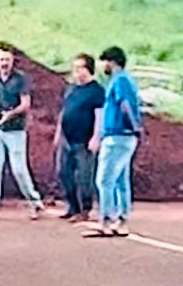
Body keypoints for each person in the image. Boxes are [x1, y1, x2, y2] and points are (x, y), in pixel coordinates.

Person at [0, 47, 44, 221]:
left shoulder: (21, 79)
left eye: (7, 60)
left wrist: (11, 114)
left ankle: (34, 201)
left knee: (19, 169)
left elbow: (26, 104)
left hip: (15, 129)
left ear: (12, 61)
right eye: (1, 60)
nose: (4, 64)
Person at [90, 46, 143, 238]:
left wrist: (133, 126)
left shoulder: (119, 80)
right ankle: (121, 219)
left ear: (111, 62)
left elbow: (124, 104)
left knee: (104, 179)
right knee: (121, 179)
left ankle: (106, 219)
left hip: (118, 135)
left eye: (104, 62)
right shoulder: (125, 79)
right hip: (124, 136)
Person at [53, 54, 105, 222]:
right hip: (67, 138)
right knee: (63, 172)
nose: (76, 72)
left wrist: (96, 137)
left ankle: (85, 209)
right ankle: (72, 206)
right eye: (74, 68)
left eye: (79, 68)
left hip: (84, 139)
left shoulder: (96, 91)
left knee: (84, 176)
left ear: (88, 69)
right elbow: (64, 111)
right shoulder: (71, 89)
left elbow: (99, 115)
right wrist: (58, 133)